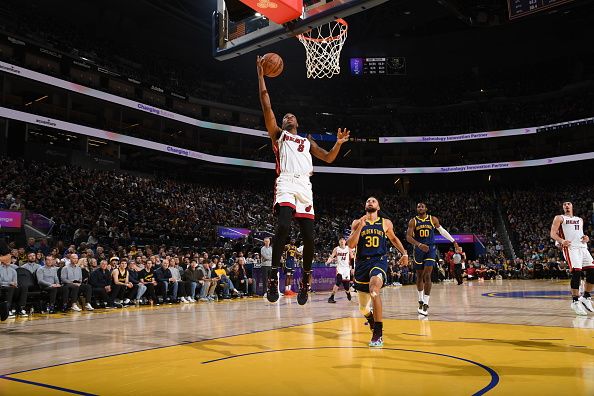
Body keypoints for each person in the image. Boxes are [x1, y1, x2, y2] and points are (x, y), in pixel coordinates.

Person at [257, 56, 350, 304]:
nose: (287, 117)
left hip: (305, 187)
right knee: (285, 226)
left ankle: (305, 281)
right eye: (285, 116)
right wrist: (261, 76)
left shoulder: (307, 142)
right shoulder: (278, 136)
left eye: (291, 116)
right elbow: (267, 107)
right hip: (286, 182)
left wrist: (338, 144)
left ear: (297, 122)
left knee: (310, 238)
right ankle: (272, 276)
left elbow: (329, 158)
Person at [347, 197, 408, 348]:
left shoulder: (385, 223)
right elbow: (350, 244)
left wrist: (405, 253)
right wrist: (360, 226)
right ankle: (371, 318)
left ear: (378, 206)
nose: (370, 202)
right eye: (368, 200)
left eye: (373, 201)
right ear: (364, 205)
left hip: (378, 261)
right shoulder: (357, 222)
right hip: (361, 263)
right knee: (363, 308)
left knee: (374, 290)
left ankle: (378, 333)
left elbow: (393, 239)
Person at [406, 202, 458, 316]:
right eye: (418, 206)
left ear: (426, 208)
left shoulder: (433, 219)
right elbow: (408, 237)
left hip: (430, 249)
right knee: (419, 276)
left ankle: (426, 304)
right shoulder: (413, 221)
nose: (420, 208)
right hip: (419, 250)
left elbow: (442, 231)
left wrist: (453, 241)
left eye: (422, 206)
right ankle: (420, 300)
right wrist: (419, 245)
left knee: (427, 275)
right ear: (417, 209)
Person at [550, 201, 594, 316]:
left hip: (583, 247)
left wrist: (586, 238)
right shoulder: (559, 218)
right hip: (571, 248)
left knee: (592, 271)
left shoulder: (579, 219)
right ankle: (575, 301)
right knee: (577, 273)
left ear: (572, 206)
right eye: (564, 204)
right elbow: (553, 234)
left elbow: (579, 233)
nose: (566, 206)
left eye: (568, 204)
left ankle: (586, 297)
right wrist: (561, 241)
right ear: (563, 207)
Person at [326, 237, 353, 303]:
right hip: (339, 268)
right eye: (340, 240)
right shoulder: (336, 249)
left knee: (346, 287)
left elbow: (352, 258)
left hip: (346, 269)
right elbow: (332, 256)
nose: (342, 241)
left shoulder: (348, 249)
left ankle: (348, 293)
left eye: (343, 240)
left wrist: (352, 268)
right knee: (338, 282)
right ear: (339, 242)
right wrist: (328, 261)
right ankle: (331, 297)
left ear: (345, 241)